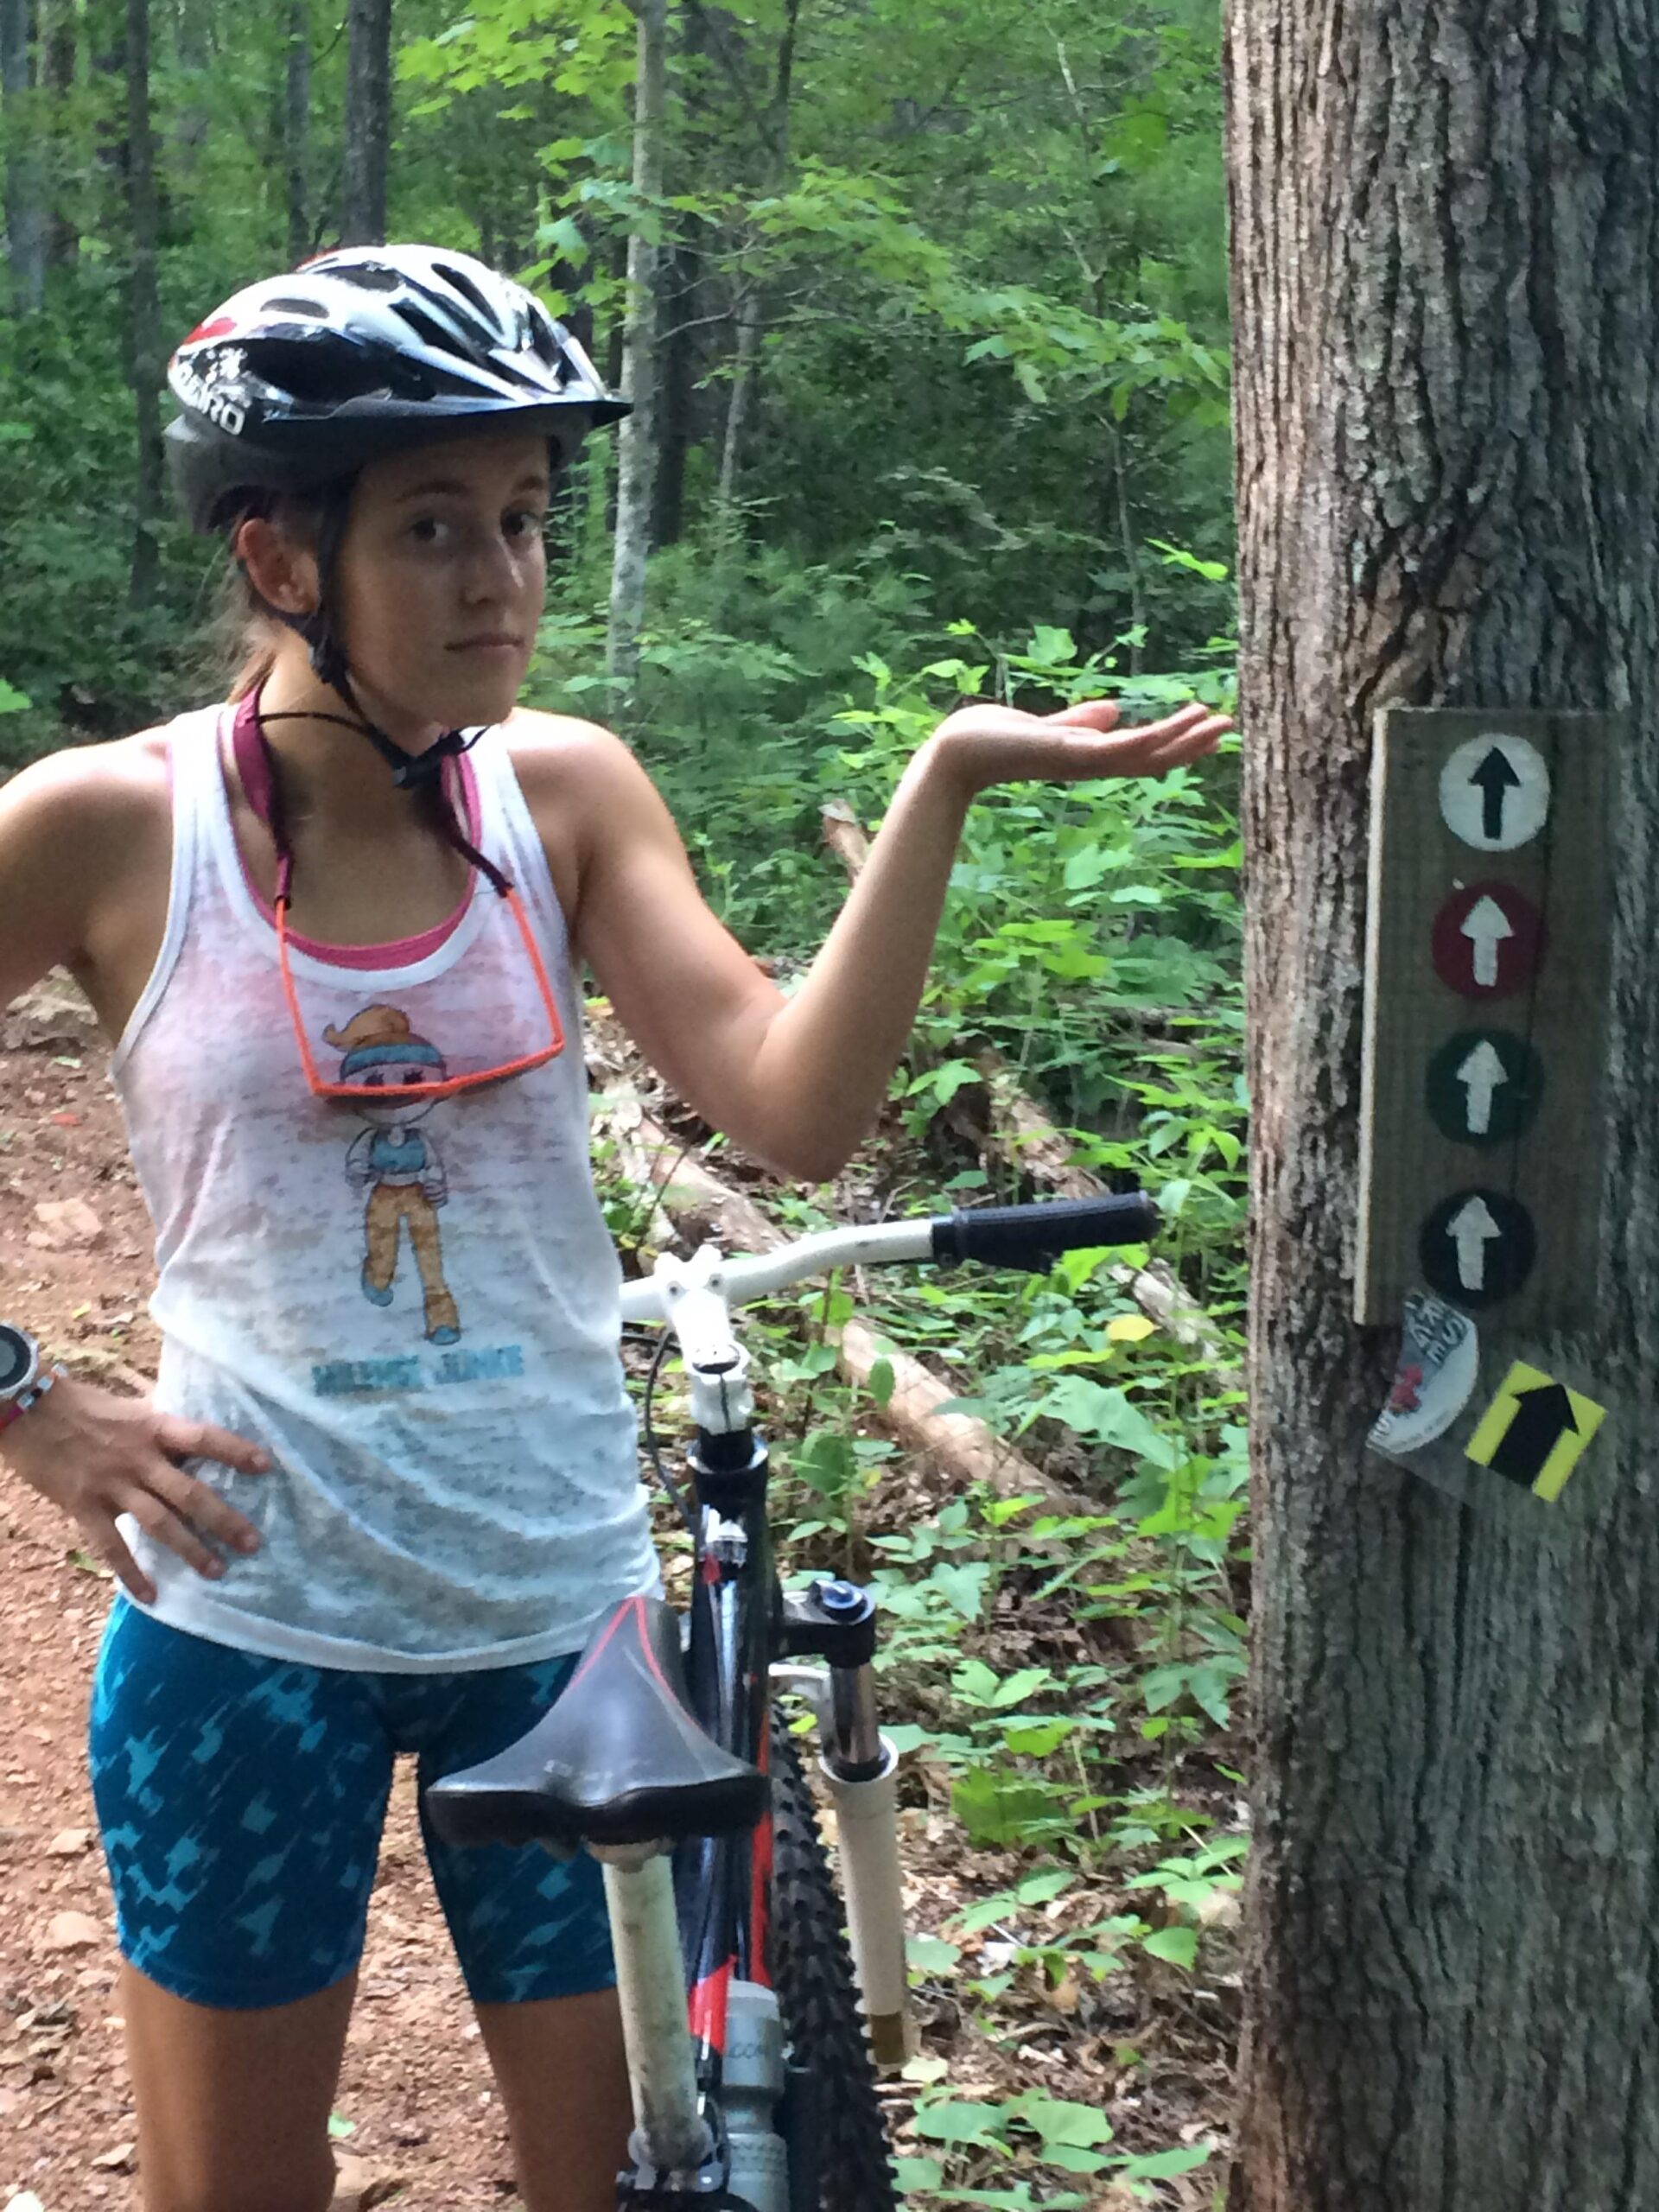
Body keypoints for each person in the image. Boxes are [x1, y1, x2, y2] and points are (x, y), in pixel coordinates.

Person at [0, 243, 1229, 2212]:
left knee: (627, 2186)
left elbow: (797, 1108)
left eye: (525, 520)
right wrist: (28, 1403)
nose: (504, 579)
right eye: (435, 526)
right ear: (282, 553)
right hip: (246, 1613)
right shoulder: (104, 824)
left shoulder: (558, 795)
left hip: (561, 1624)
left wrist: (939, 786)